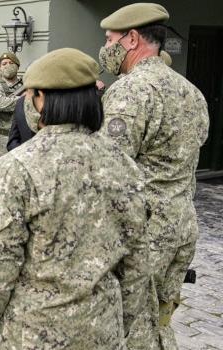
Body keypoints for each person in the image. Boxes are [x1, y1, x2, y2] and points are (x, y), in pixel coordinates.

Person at [0, 48, 149, 349]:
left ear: (42, 99)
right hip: (102, 331)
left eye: (29, 95)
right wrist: (119, 323)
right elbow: (137, 265)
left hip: (31, 334)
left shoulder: (17, 167)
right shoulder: (124, 164)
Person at [98, 3, 209, 348]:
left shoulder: (131, 90)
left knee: (132, 331)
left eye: (109, 38)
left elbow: (109, 169)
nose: (106, 47)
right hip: (181, 227)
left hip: (144, 235)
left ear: (132, 39)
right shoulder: (191, 92)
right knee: (160, 319)